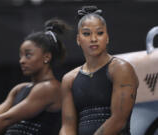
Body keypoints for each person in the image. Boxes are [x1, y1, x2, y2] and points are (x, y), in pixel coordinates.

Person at [0, 18, 70, 135]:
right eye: (20, 56)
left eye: (28, 55)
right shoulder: (19, 89)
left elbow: (6, 119)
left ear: (46, 57)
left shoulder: (49, 88)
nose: (22, 61)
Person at [59, 6, 139, 135]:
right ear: (78, 39)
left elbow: (118, 121)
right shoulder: (69, 79)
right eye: (86, 33)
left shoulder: (121, 69)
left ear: (107, 37)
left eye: (100, 33)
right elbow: (67, 126)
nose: (94, 39)